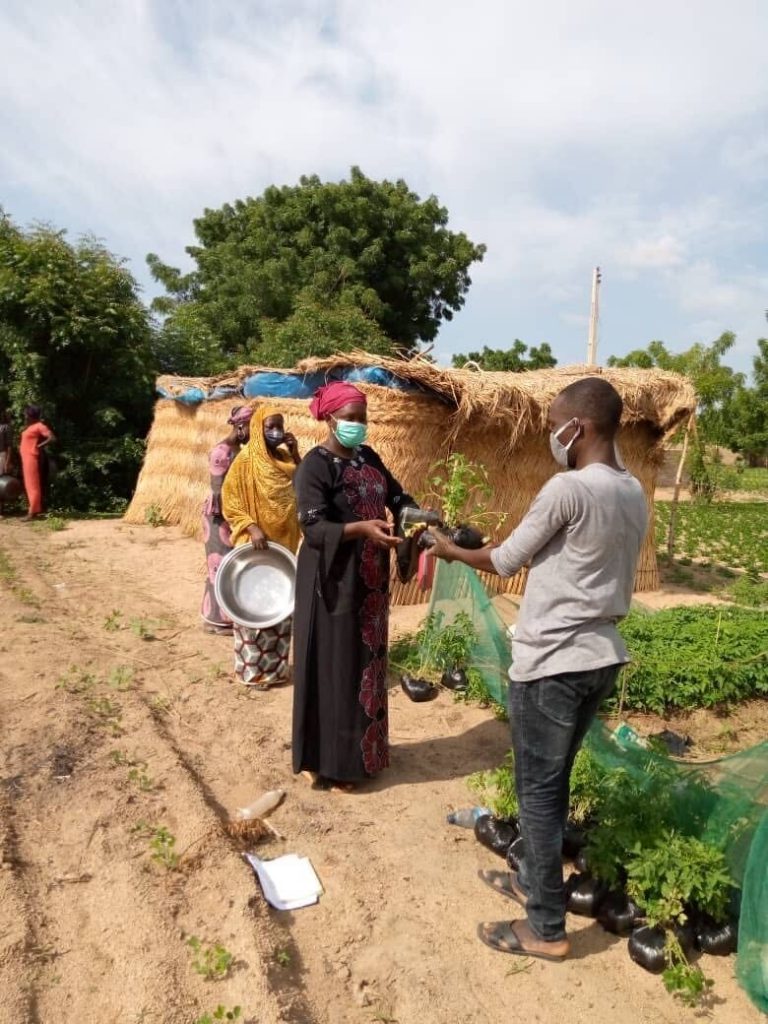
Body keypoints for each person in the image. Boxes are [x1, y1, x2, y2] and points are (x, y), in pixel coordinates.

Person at [428, 377, 648, 962]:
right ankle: (534, 881)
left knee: (539, 799)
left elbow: (503, 560)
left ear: (580, 427)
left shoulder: (566, 489)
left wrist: (449, 550)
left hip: (552, 663)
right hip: (600, 655)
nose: (553, 433)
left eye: (557, 423)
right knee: (549, 788)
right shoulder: (633, 491)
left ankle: (545, 929)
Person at [291, 381, 418, 791]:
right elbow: (313, 526)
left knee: (368, 667)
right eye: (350, 419)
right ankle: (333, 764)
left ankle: (368, 754)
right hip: (333, 581)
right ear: (329, 419)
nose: (358, 426)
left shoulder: (368, 457)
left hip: (371, 586)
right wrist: (361, 528)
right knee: (337, 668)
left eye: (362, 419)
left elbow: (398, 497)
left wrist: (413, 517)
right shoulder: (316, 465)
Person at [221, 404, 302, 687]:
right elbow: (230, 502)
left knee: (280, 604)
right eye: (271, 427)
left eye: (280, 426)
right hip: (255, 547)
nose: (277, 432)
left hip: (284, 545)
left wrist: (295, 453)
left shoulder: (284, 458)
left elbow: (304, 486)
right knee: (252, 606)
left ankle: (277, 670)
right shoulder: (244, 463)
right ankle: (252, 671)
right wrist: (251, 526)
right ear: (258, 430)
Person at [200, 405, 253, 634]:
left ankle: (218, 617)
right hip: (219, 515)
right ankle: (217, 620)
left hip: (229, 515)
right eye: (252, 427)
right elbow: (220, 490)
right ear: (240, 425)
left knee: (225, 565)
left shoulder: (238, 450)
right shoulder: (222, 452)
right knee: (218, 565)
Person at [19, 406, 56, 521]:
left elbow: (52, 438)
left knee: (33, 485)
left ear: (31, 415)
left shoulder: (40, 426)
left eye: (26, 414)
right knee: (29, 485)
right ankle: (34, 510)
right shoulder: (30, 427)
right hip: (26, 458)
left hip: (32, 457)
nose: (25, 416)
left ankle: (32, 513)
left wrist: (39, 446)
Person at [0, 409, 14, 516]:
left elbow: (9, 446)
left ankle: (1, 509)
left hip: (2, 455)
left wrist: (8, 461)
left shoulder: (6, 427)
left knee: (1, 481)